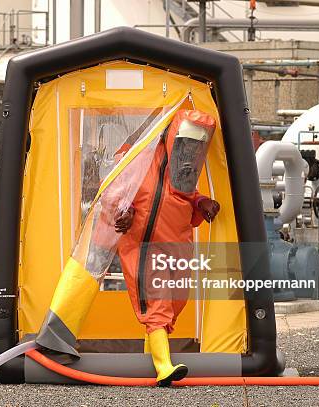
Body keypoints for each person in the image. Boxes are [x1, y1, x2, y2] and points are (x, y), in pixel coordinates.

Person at [113, 108, 221, 386]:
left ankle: (153, 352)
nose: (191, 148)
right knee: (158, 301)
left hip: (178, 243)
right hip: (144, 245)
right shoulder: (135, 155)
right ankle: (163, 366)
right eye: (186, 140)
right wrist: (121, 212)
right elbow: (114, 189)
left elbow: (185, 194)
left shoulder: (183, 165)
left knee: (177, 299)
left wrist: (201, 203)